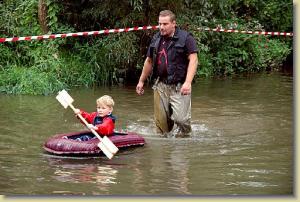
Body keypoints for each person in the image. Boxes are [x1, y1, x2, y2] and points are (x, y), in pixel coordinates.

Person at [136, 10, 198, 137]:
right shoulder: (156, 38)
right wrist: (141, 81)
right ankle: (165, 152)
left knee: (181, 120)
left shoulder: (186, 38)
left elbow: (194, 59)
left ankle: (185, 143)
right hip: (160, 85)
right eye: (159, 24)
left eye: (165, 24)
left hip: (179, 86)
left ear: (173, 23)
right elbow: (149, 61)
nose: (161, 27)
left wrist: (188, 82)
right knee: (161, 128)